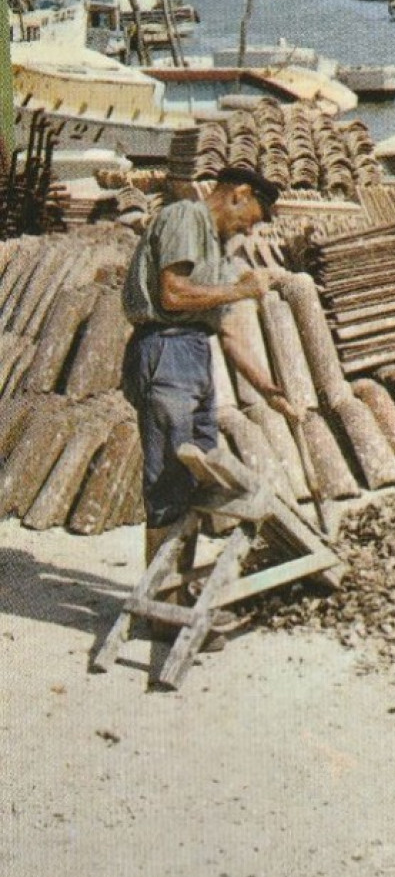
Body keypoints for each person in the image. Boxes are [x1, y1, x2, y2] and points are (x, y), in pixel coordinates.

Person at [121, 166, 299, 582]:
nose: (249, 230)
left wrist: (268, 389)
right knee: (169, 477)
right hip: (166, 347)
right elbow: (173, 292)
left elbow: (230, 331)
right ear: (239, 194)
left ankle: (175, 585)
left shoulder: (217, 251)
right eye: (252, 217)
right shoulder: (185, 216)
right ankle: (161, 596)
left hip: (194, 353)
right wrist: (242, 289)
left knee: (196, 479)